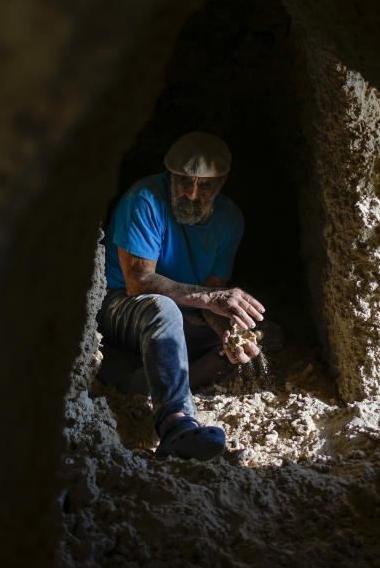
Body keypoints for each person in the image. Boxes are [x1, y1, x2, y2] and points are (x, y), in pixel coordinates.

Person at [96, 131, 265, 460]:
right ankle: (176, 423)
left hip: (177, 311)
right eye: (184, 181)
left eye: (205, 186)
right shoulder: (144, 198)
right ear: (169, 175)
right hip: (119, 304)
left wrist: (228, 333)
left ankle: (144, 380)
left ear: (223, 182)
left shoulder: (230, 220)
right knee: (163, 309)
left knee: (260, 335)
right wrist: (212, 300)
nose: (192, 193)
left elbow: (214, 301)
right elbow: (138, 282)